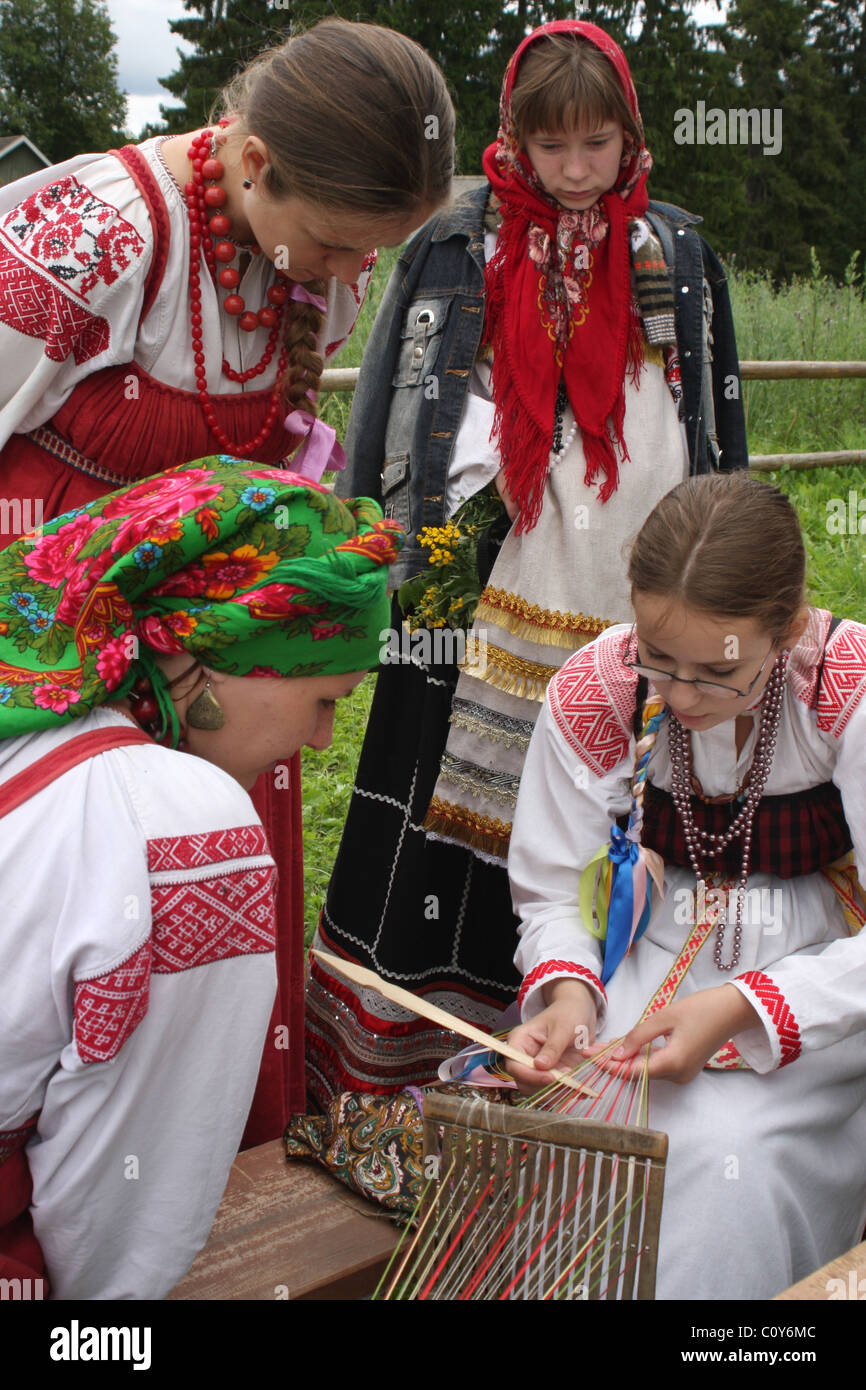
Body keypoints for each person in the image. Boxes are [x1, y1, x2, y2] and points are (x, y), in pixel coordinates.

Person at [0, 17, 455, 1137]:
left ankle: (197, 1180)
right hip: (53, 651)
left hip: (212, 684)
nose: (358, 279)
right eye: (342, 242)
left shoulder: (315, 273)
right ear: (254, 164)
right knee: (87, 937)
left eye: (374, 252)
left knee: (199, 937)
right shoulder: (83, 234)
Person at [308, 19, 747, 1105]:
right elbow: (384, 410)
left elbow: (716, 424)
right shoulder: (454, 245)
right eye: (552, 149)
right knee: (431, 800)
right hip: (464, 562)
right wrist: (375, 547)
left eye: (596, 145)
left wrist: (723, 570)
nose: (574, 170)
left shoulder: (678, 256)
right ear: (515, 136)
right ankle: (400, 1069)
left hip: (631, 574)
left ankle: (575, 1053)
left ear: (627, 134)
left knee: (607, 802)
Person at [0, 457, 404, 1299]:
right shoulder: (184, 825)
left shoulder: (27, 702)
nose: (324, 741)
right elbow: (120, 1209)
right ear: (217, 660)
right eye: (325, 698)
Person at [506, 471, 866, 1300]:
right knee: (583, 1114)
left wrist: (745, 1009)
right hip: (649, 949)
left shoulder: (842, 690)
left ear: (788, 630)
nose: (677, 694)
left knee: (731, 1157)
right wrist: (568, 997)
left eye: (714, 672)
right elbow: (556, 888)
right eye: (659, 657)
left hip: (818, 977)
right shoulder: (601, 688)